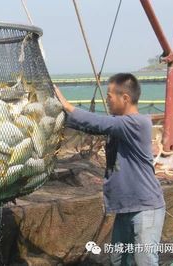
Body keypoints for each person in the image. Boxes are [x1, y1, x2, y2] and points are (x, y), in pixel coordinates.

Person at [54, 73, 165, 265]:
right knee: (118, 259)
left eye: (109, 96)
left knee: (144, 260)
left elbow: (100, 122)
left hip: (146, 208)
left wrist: (68, 105)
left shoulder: (138, 123)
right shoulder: (118, 125)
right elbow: (92, 126)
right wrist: (60, 115)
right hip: (125, 208)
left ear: (125, 98)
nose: (107, 100)